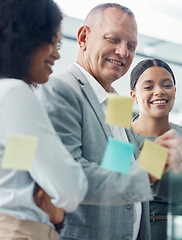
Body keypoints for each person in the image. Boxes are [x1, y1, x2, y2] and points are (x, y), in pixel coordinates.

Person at [36, 3, 182, 240]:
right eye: (113, 39)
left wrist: (155, 160)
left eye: (131, 45)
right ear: (84, 37)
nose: (123, 52)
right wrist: (145, 172)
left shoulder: (117, 102)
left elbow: (116, 171)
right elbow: (67, 177)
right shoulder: (61, 90)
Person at [0, 0, 88, 239]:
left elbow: (19, 166)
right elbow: (71, 188)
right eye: (51, 41)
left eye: (132, 44)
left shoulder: (118, 110)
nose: (123, 51)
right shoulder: (20, 92)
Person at [129, 58, 182, 240]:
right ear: (133, 95)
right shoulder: (118, 137)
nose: (159, 91)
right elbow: (110, 196)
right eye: (148, 87)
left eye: (166, 85)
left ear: (175, 91)